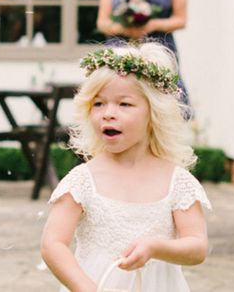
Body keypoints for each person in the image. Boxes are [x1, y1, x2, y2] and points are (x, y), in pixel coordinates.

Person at [40, 42, 209, 292]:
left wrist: (155, 247)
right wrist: (86, 288)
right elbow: (52, 243)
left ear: (153, 113)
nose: (108, 113)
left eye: (124, 104)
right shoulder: (83, 181)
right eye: (98, 104)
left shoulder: (176, 182)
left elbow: (197, 247)